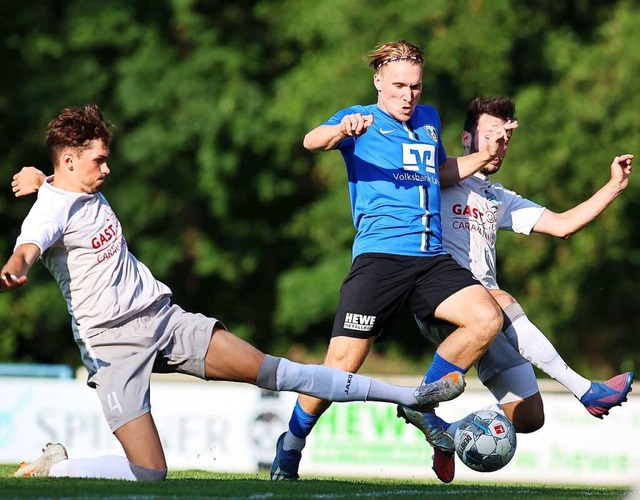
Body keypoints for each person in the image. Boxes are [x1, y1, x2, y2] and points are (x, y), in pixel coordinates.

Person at [1, 104, 467, 481]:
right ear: (68, 161)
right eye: (99, 159)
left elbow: (59, 188)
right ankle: (59, 467)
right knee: (150, 476)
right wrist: (16, 267)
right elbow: (31, 242)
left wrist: (41, 177)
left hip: (164, 320)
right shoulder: (47, 211)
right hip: (111, 348)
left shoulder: (65, 183)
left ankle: (409, 398)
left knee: (275, 371)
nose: (107, 167)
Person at [268, 40, 519, 481]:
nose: (408, 95)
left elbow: (438, 173)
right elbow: (311, 140)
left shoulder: (429, 119)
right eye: (399, 86)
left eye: (416, 87)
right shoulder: (361, 120)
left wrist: (487, 153)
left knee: (485, 318)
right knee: (340, 367)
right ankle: (290, 445)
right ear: (379, 82)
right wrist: (342, 130)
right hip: (381, 257)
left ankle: (419, 403)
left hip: (431, 258)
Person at [416, 95, 635, 482]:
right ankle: (587, 391)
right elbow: (432, 172)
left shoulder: (496, 197)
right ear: (466, 139)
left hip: (488, 319)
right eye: (489, 135)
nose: (499, 145)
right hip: (443, 300)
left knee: (530, 417)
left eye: (504, 138)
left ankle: (449, 434)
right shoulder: (440, 178)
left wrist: (614, 187)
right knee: (500, 298)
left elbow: (564, 225)